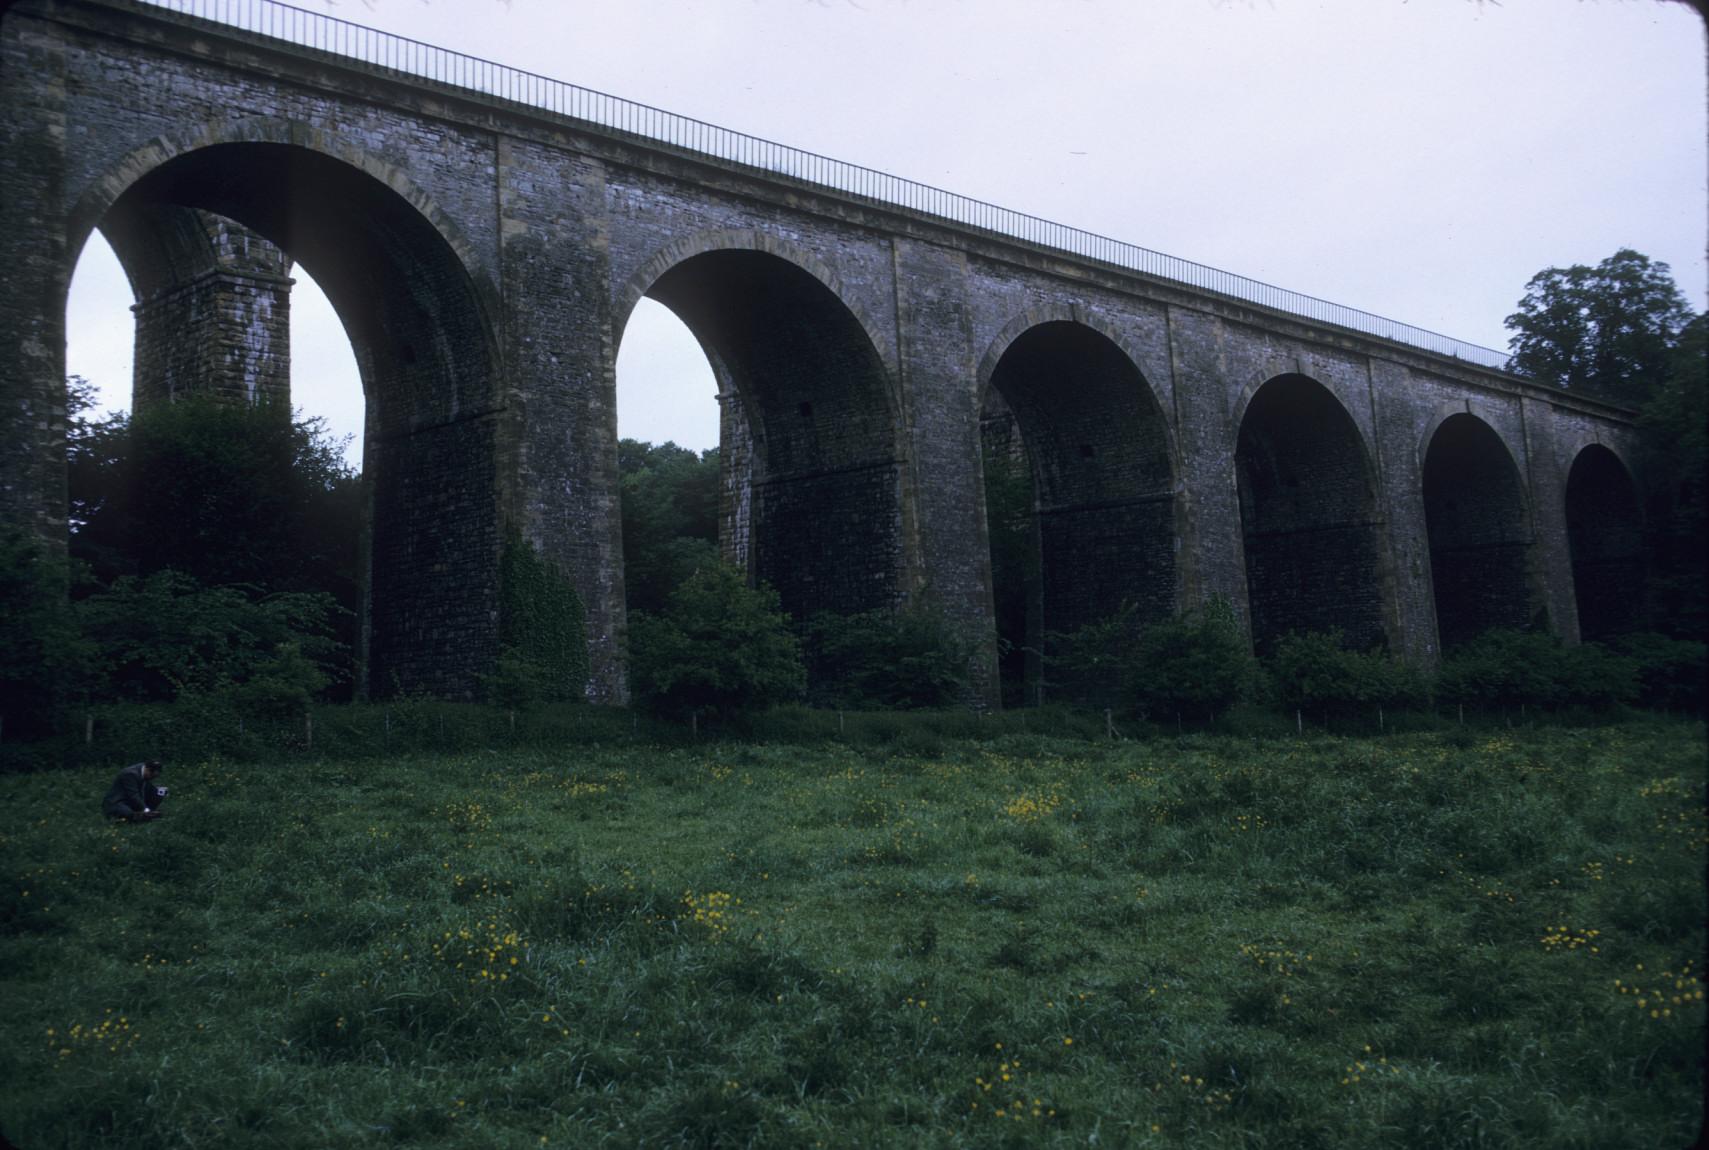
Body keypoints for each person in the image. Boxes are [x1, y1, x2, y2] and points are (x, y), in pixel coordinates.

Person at [102, 760, 168, 822]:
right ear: (147, 770)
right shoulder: (130, 774)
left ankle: (146, 814)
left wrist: (160, 791)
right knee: (127, 813)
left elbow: (146, 788)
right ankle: (141, 815)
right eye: (152, 776)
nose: (152, 778)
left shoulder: (144, 772)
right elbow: (133, 795)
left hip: (131, 800)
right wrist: (145, 809)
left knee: (159, 792)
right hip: (117, 802)